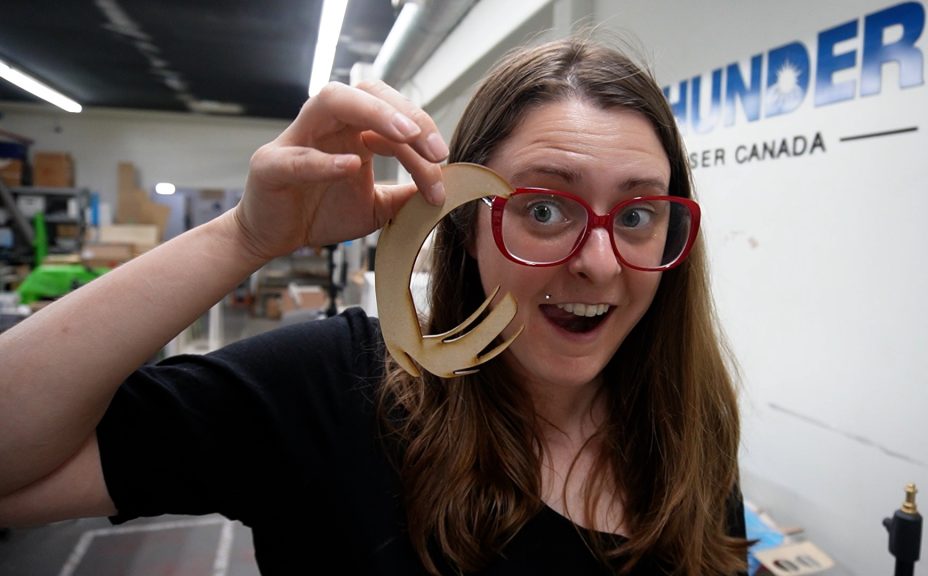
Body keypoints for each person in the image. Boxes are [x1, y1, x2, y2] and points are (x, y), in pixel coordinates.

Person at [0, 35, 749, 575]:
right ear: (463, 215)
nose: (596, 262)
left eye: (637, 214)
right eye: (546, 210)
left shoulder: (689, 435)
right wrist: (244, 238)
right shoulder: (332, 389)